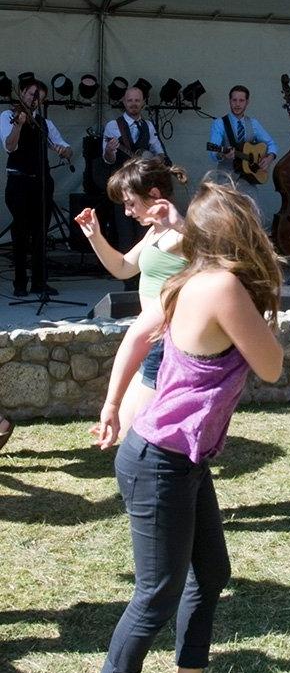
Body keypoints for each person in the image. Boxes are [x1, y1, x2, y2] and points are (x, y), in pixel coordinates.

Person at [91, 181, 283, 673]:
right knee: (157, 591)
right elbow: (270, 365)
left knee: (211, 571)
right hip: (161, 460)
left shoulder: (190, 279)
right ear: (237, 232)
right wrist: (266, 306)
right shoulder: (221, 285)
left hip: (177, 456)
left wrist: (110, 403)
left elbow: (137, 334)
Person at [75, 156, 188, 436]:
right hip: (152, 341)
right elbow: (123, 268)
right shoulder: (154, 232)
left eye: (130, 203)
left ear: (154, 195)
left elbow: (213, 249)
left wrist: (181, 224)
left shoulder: (180, 234)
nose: (127, 212)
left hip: (167, 343)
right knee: (125, 431)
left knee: (140, 438)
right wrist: (95, 236)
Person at [1, 78, 73, 297]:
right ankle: (20, 283)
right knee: (20, 232)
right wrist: (19, 125)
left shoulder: (44, 123)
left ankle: (40, 282)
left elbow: (65, 147)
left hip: (41, 183)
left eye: (39, 99)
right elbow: (9, 146)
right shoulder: (7, 116)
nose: (34, 101)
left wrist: (63, 150)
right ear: (22, 92)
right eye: (32, 95)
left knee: (40, 233)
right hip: (19, 182)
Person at [101, 84, 165, 258]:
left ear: (143, 102)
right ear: (123, 102)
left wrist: (154, 162)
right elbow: (108, 160)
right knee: (125, 232)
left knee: (145, 231)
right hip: (123, 187)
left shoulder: (148, 126)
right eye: (130, 100)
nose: (133, 104)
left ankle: (142, 272)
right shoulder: (113, 126)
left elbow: (160, 153)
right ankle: (128, 279)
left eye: (137, 100)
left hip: (144, 186)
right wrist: (109, 150)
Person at [208, 85, 278, 213]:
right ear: (229, 101)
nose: (237, 104)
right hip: (226, 179)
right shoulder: (220, 123)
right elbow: (213, 153)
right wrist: (222, 155)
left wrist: (270, 157)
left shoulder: (253, 123)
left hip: (248, 180)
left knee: (253, 215)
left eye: (241, 100)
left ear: (247, 102)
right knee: (227, 217)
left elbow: (271, 144)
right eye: (234, 100)